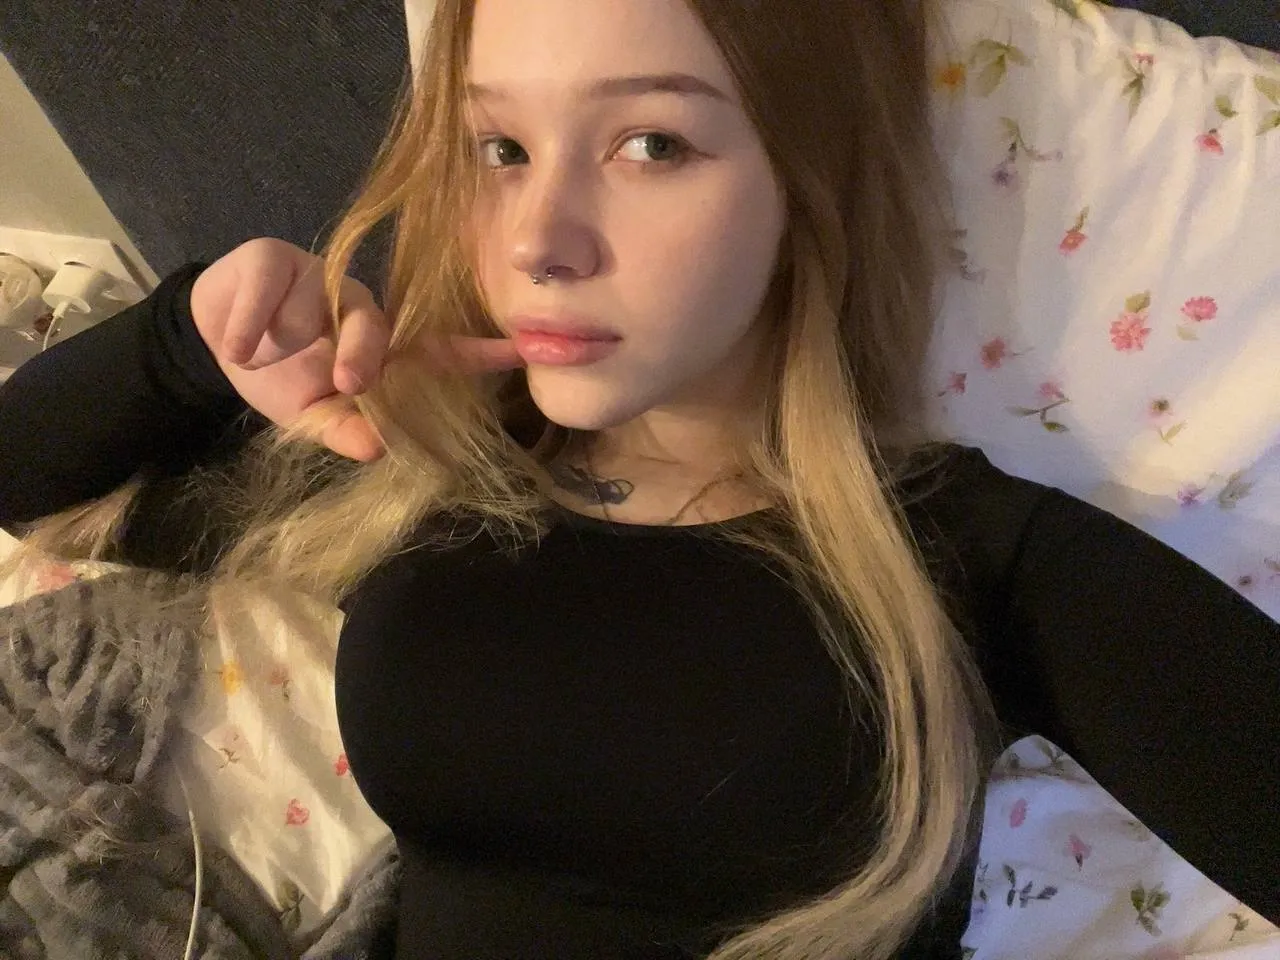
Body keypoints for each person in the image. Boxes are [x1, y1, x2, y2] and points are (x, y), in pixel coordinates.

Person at [0, 0, 1277, 957]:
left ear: (805, 183)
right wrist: (189, 340)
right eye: (499, 147)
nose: (537, 240)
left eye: (651, 143)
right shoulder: (426, 476)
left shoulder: (968, 562)